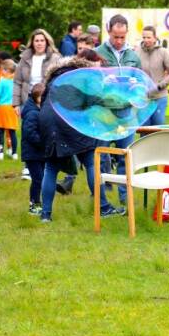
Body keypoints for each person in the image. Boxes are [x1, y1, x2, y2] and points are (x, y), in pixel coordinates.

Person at [38, 55, 124, 222]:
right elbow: (93, 99)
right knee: (91, 162)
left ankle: (45, 214)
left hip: (48, 121)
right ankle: (103, 207)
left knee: (51, 167)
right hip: (69, 120)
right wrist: (119, 104)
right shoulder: (83, 75)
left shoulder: (55, 76)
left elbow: (43, 101)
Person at [95, 14, 142, 205]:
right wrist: (103, 82)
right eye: (116, 36)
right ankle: (101, 200)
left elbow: (141, 83)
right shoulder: (96, 53)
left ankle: (125, 198)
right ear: (108, 31)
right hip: (104, 111)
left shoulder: (133, 56)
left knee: (125, 155)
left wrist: (134, 84)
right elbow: (89, 83)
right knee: (100, 154)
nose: (119, 41)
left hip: (125, 111)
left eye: (123, 37)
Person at [136, 25, 169, 127]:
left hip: (160, 96)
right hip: (143, 97)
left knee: (158, 128)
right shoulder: (137, 52)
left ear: (155, 38)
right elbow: (134, 72)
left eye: (149, 37)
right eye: (144, 37)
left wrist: (160, 86)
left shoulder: (163, 52)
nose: (146, 40)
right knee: (144, 129)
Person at [13, 28, 61, 114]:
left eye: (42, 40)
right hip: (28, 100)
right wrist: (16, 104)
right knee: (29, 126)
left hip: (47, 99)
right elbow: (17, 82)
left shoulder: (55, 58)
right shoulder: (24, 59)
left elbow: (59, 81)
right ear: (32, 43)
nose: (39, 43)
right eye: (37, 41)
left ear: (46, 42)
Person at [21, 83, 45, 215]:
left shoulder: (37, 110)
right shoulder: (32, 113)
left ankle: (38, 202)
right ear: (38, 98)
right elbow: (30, 133)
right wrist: (43, 142)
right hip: (32, 154)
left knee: (40, 178)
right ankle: (34, 204)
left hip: (38, 153)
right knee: (38, 179)